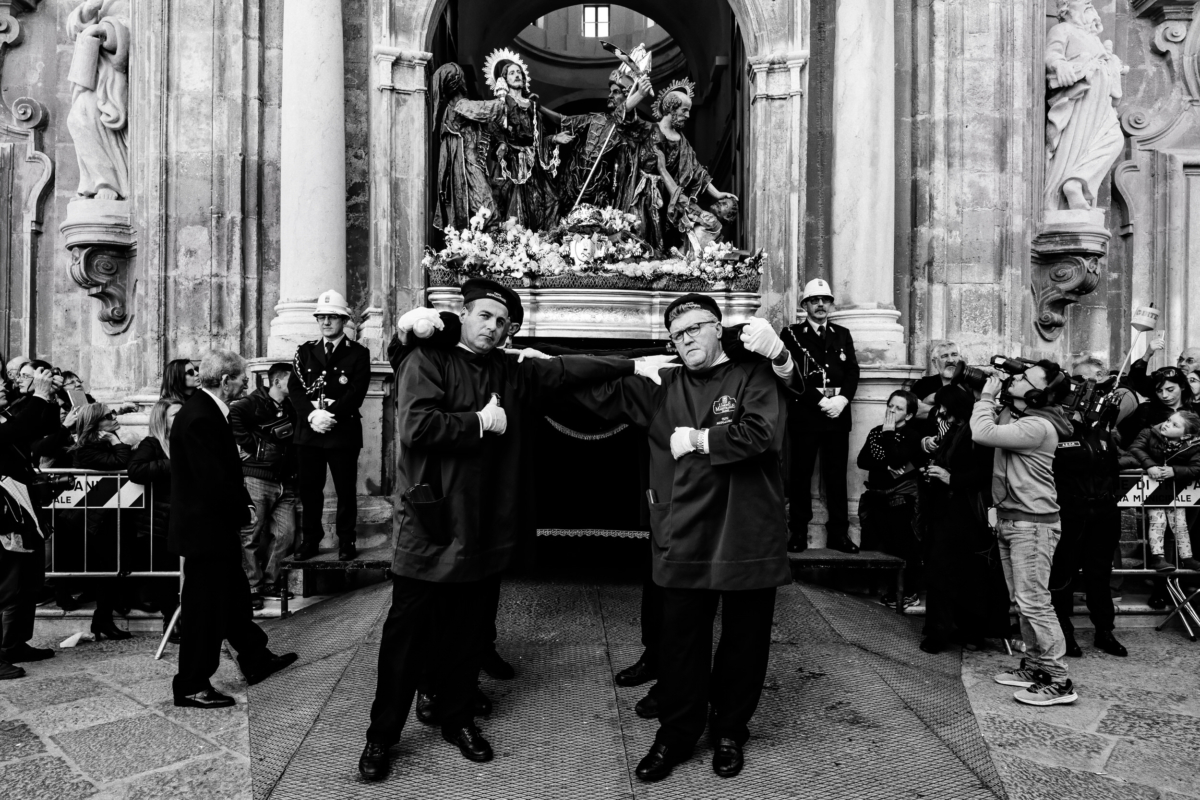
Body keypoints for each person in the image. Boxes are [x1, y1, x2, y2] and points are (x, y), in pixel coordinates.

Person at [358, 279, 655, 781]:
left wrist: (633, 365)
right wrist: (478, 423)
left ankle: (457, 718)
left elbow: (563, 370)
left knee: (467, 636)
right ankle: (381, 737)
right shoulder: (428, 359)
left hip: (484, 530)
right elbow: (416, 427)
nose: (492, 327)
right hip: (432, 526)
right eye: (484, 316)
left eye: (502, 322)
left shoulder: (508, 370)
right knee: (406, 640)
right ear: (463, 314)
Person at [568, 294, 791, 782]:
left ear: (718, 328)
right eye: (676, 335)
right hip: (686, 532)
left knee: (745, 641)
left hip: (746, 531)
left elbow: (759, 435)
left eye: (694, 328)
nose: (685, 339)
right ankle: (676, 732)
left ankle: (730, 729)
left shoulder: (753, 373)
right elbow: (580, 392)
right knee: (680, 642)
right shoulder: (660, 383)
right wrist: (625, 362)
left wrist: (697, 439)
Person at [169, 351, 297, 710]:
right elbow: (212, 481)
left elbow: (223, 473)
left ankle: (256, 659)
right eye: (241, 377)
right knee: (203, 610)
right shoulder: (201, 417)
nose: (245, 383)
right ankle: (191, 684)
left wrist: (244, 504)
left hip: (211, 528)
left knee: (235, 597)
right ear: (225, 380)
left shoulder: (205, 411)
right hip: (206, 532)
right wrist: (243, 510)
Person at [972, 361, 1078, 706]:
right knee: (1022, 601)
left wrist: (986, 396)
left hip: (1032, 525)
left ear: (1038, 393)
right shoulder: (1022, 416)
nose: (1015, 380)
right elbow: (999, 420)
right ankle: (1036, 667)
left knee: (1035, 603)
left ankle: (1059, 680)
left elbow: (983, 433)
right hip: (1013, 520)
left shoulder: (1037, 426)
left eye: (1024, 379)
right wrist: (1001, 388)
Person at [919, 385, 1010, 652]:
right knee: (948, 573)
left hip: (966, 514)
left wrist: (950, 478)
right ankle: (955, 631)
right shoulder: (956, 430)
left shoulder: (975, 430)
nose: (941, 412)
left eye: (944, 407)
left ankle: (951, 633)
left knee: (961, 574)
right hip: (946, 512)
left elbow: (985, 470)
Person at [1048, 357, 1127, 658]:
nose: (1087, 387)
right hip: (1071, 511)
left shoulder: (1105, 423)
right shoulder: (1060, 424)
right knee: (1064, 573)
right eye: (1081, 381)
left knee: (1099, 573)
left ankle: (1104, 630)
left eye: (1093, 381)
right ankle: (1064, 630)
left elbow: (1113, 465)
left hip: (1103, 510)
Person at [290, 290, 371, 562]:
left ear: (344, 320)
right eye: (321, 317)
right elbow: (296, 390)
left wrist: (328, 414)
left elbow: (356, 392)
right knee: (310, 490)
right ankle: (310, 539)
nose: (326, 322)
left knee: (346, 490)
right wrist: (313, 417)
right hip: (309, 431)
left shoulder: (358, 353)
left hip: (341, 430)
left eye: (332, 317)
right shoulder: (304, 351)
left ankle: (346, 540)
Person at [781, 278, 860, 553]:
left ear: (831, 304)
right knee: (801, 475)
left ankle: (839, 534)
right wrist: (819, 401)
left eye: (825, 300)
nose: (820, 305)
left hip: (837, 414)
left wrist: (841, 399)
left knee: (837, 477)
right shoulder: (791, 334)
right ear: (805, 305)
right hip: (806, 415)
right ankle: (799, 532)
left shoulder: (842, 334)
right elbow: (790, 375)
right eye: (814, 300)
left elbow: (852, 371)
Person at [0, 365, 60, 677]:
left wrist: (48, 398)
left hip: (22, 505)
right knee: (6, 584)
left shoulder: (8, 413)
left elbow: (38, 429)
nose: (2, 384)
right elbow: (13, 433)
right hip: (4, 512)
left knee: (28, 580)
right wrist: (36, 395)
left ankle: (14, 644)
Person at [231, 363, 298, 607]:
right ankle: (252, 588)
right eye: (293, 380)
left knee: (286, 534)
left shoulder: (291, 405)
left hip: (285, 480)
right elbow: (234, 414)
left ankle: (271, 581)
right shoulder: (253, 402)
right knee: (251, 535)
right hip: (257, 478)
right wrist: (254, 447)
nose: (298, 384)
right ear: (278, 382)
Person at [70, 402, 134, 640]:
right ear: (96, 424)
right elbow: (121, 463)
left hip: (111, 514)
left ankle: (103, 619)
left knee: (113, 567)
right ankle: (103, 620)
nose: (114, 417)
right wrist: (118, 442)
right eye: (109, 416)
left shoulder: (102, 443)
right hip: (96, 517)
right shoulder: (87, 449)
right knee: (106, 568)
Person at [856, 390, 925, 607]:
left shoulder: (912, 436)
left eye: (899, 408)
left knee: (904, 545)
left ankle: (909, 592)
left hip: (901, 499)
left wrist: (888, 436)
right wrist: (885, 463)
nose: (892, 411)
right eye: (890, 406)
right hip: (877, 498)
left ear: (909, 415)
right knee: (884, 545)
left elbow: (897, 459)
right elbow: (862, 460)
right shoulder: (875, 432)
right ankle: (891, 590)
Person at [128, 400, 182, 643]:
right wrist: (172, 464)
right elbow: (136, 470)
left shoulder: (188, 441)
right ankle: (171, 622)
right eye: (175, 415)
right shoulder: (152, 443)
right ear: (163, 420)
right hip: (160, 520)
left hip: (184, 517)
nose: (182, 418)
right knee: (166, 575)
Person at [1129, 410, 1200, 572]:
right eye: (1168, 420)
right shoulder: (1149, 433)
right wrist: (1150, 465)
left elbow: (1197, 467)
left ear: (1186, 435)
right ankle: (1158, 558)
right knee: (1157, 521)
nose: (1167, 424)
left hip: (1176, 491)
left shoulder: (1195, 445)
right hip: (1155, 489)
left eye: (1175, 425)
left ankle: (1187, 557)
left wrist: (1174, 470)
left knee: (1180, 524)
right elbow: (1135, 449)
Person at [912, 341, 963, 421]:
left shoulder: (970, 383)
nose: (950, 360)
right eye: (944, 356)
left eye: (954, 355)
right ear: (935, 363)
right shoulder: (923, 384)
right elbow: (912, 412)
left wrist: (930, 404)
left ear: (960, 359)